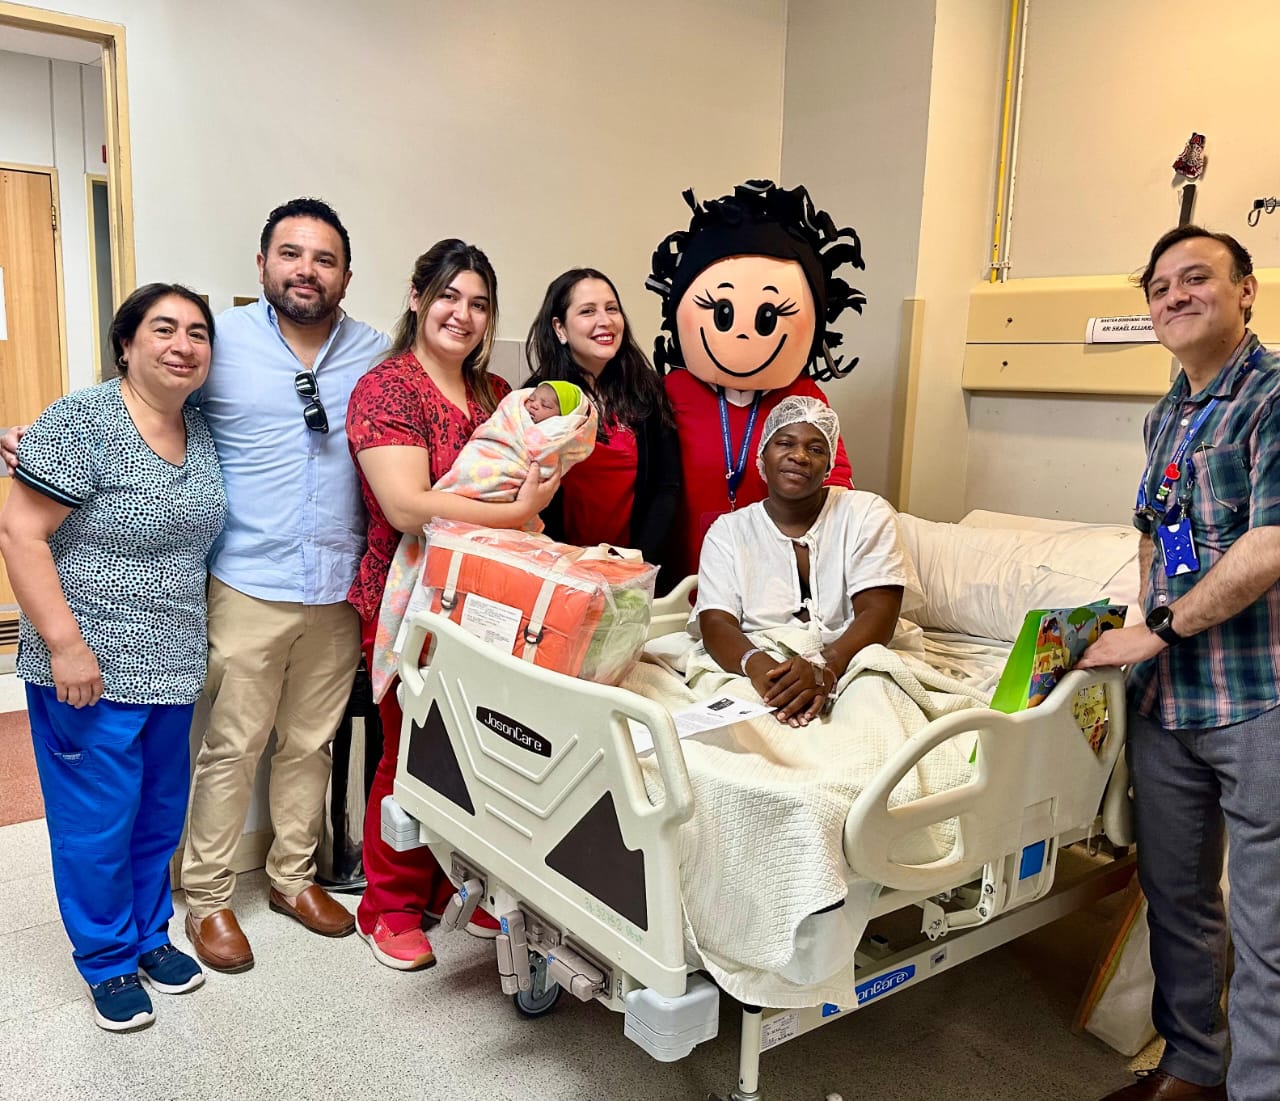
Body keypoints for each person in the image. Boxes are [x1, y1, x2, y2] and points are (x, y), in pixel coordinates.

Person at [1078, 225, 1280, 1101]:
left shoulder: (1272, 397)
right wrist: (1129, 625)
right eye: (1159, 287)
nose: (1174, 297)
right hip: (1170, 704)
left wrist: (1155, 630)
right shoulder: (1167, 412)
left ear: (1247, 291)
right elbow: (1155, 536)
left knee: (1269, 927)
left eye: (1196, 278)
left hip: (1259, 698)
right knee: (1177, 901)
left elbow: (1270, 542)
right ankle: (1193, 1065)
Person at [0, 284, 225, 1032]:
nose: (182, 345)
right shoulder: (82, 421)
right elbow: (19, 533)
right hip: (88, 670)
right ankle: (106, 960)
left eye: (197, 332)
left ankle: (150, 936)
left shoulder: (200, 429)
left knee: (157, 815)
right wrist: (65, 646)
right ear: (125, 344)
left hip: (173, 665)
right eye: (163, 329)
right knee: (96, 824)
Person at [179, 199, 390, 971]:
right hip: (248, 581)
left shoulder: (374, 351)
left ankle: (292, 878)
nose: (307, 270)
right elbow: (144, 406)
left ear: (346, 276)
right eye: (291, 254)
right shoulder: (218, 341)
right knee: (232, 745)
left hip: (338, 588)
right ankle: (207, 897)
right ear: (263, 263)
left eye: (324, 258)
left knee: (310, 743)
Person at [346, 239, 559, 971]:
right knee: (411, 750)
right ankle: (388, 906)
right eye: (448, 296)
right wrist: (520, 510)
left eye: (478, 304)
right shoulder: (388, 390)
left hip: (490, 602)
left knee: (480, 753)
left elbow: (528, 467)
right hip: (411, 600)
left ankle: (451, 885)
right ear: (416, 297)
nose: (462, 314)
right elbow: (407, 507)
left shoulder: (496, 393)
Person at [646, 181, 861, 579]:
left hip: (771, 572)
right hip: (681, 573)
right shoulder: (671, 391)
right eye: (723, 314)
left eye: (766, 317)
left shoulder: (804, 397)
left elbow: (835, 481)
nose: (744, 334)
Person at [694, 395, 916, 726]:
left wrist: (825, 666)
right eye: (785, 443)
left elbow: (878, 613)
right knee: (731, 727)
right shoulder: (728, 532)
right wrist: (762, 670)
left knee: (876, 710)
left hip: (853, 656)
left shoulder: (867, 513)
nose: (799, 456)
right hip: (755, 660)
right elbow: (715, 623)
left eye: (816, 449)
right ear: (763, 455)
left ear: (829, 465)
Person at [525, 268, 682, 591]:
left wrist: (638, 564)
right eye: (587, 311)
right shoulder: (537, 399)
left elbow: (666, 486)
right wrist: (565, 566)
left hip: (634, 574)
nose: (605, 320)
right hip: (560, 575)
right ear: (560, 328)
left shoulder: (647, 391)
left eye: (612, 308)